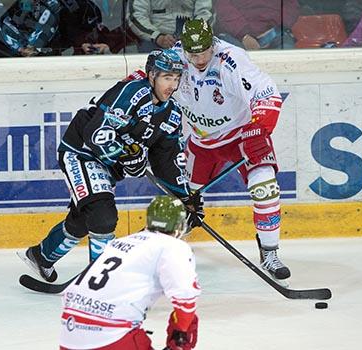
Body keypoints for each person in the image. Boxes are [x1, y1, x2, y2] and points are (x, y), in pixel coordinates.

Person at [18, 48, 204, 282]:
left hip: (107, 165)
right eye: (167, 78)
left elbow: (167, 161)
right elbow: (96, 133)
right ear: (151, 75)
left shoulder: (171, 114)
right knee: (102, 216)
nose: (172, 85)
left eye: (176, 79)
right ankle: (100, 282)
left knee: (83, 220)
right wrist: (126, 155)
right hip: (82, 154)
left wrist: (185, 198)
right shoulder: (132, 92)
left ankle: (40, 255)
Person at [173, 19, 291, 281]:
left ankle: (269, 252)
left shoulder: (230, 59)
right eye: (192, 53)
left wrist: (259, 126)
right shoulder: (173, 59)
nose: (199, 58)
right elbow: (147, 84)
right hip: (201, 142)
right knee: (181, 199)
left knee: (266, 187)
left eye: (203, 51)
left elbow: (266, 92)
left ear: (212, 43)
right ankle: (164, 251)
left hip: (240, 135)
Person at [59, 195, 200, 350]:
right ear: (180, 225)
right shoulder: (173, 246)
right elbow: (185, 299)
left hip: (68, 334)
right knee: (190, 320)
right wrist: (179, 339)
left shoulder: (120, 242)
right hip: (111, 340)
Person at [0, 0, 108, 57]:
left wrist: (84, 44)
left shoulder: (79, 6)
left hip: (50, 65)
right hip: (6, 64)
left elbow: (85, 36)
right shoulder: (6, 6)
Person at [127, 0, 213, 53]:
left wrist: (194, 35)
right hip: (154, 40)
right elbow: (136, 16)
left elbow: (206, 13)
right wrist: (157, 37)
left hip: (192, 37)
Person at [214, 0, 299, 50]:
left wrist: (274, 28)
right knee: (230, 57)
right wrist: (243, 35)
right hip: (236, 36)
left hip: (274, 33)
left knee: (287, 53)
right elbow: (224, 9)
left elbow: (291, 7)